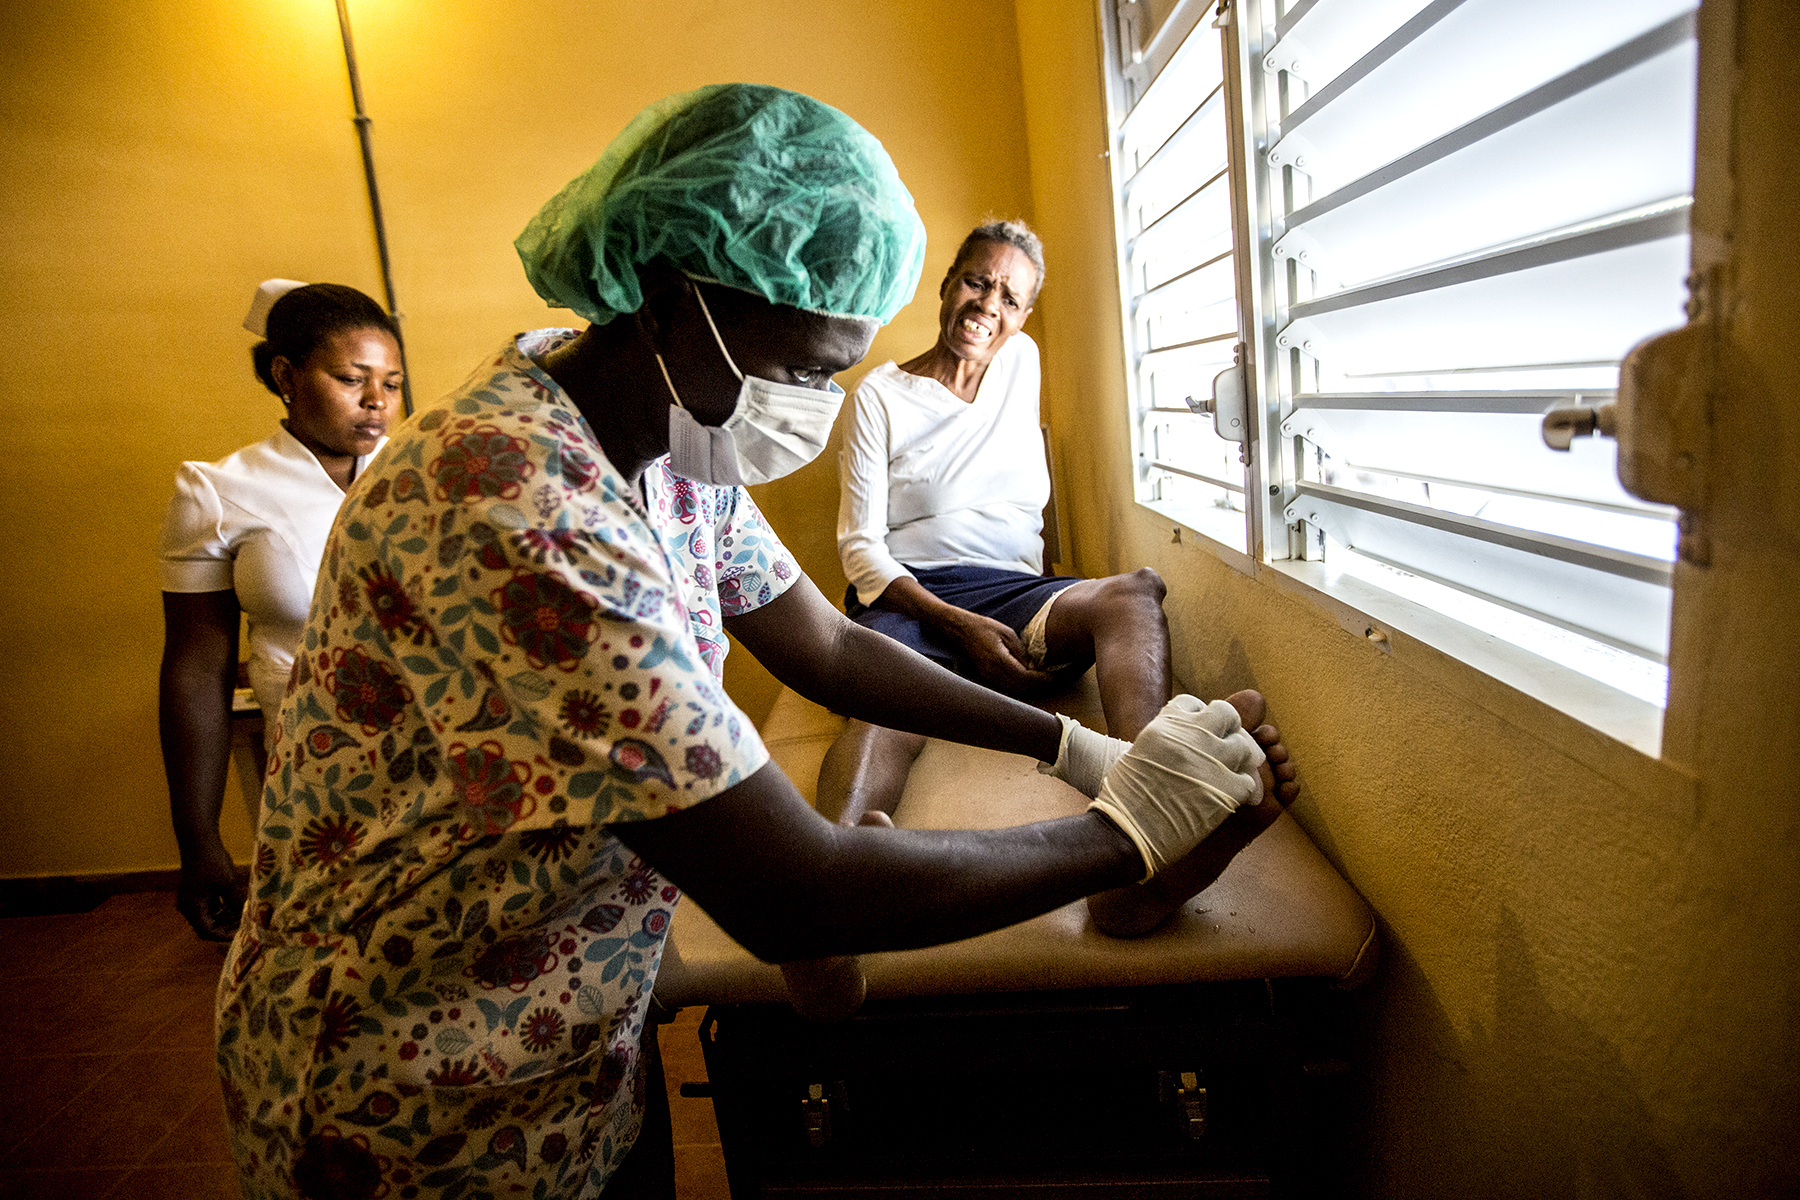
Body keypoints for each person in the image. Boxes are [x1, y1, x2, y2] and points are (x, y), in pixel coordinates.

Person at [214, 84, 1280, 1200]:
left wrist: (1069, 750)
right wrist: (1135, 828)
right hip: (412, 1093)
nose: (819, 402)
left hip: (575, 1045)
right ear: (677, 300)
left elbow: (825, 646)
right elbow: (796, 891)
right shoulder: (509, 497)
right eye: (810, 368)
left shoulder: (658, 442)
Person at [828, 220, 1298, 931]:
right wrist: (958, 625)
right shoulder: (879, 395)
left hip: (1015, 593)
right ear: (948, 284)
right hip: (916, 593)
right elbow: (860, 549)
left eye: (1012, 298)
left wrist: (1048, 605)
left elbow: (1023, 516)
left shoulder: (1022, 362)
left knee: (1134, 591)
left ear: (1023, 317)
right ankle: (832, 890)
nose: (990, 304)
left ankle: (1158, 799)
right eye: (978, 281)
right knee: (880, 702)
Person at [158, 282, 403, 940]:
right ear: (286, 376)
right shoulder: (220, 490)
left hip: (441, 778)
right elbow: (196, 666)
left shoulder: (423, 476)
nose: (376, 401)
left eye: (392, 381)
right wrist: (199, 839)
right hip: (312, 796)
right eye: (352, 379)